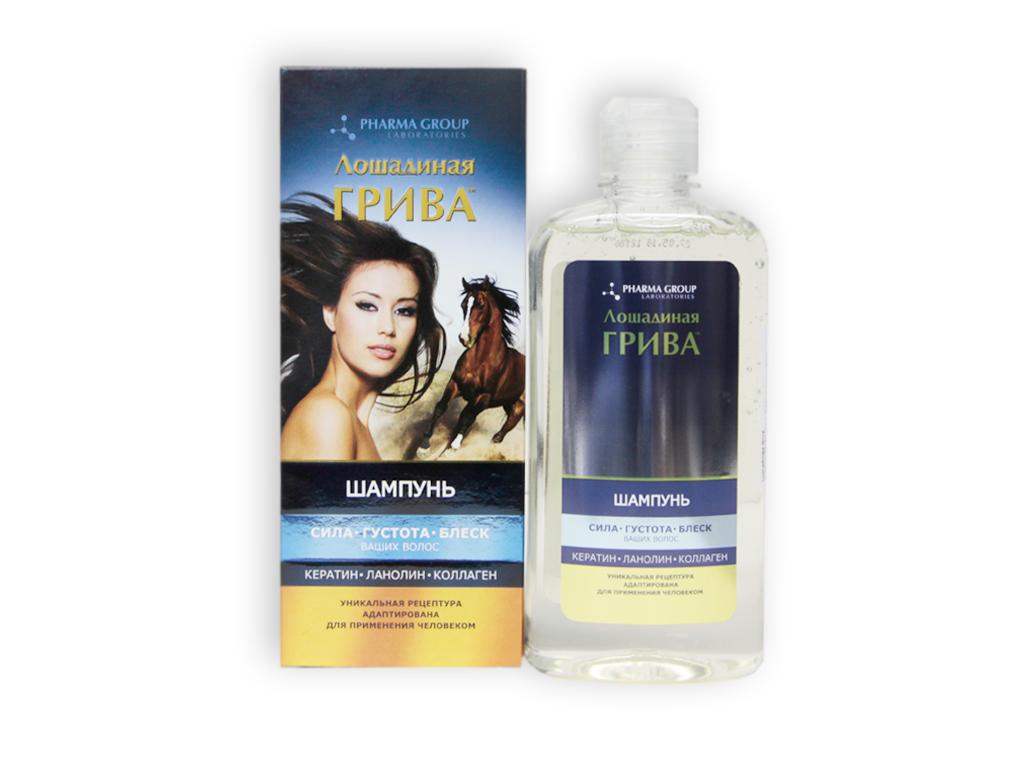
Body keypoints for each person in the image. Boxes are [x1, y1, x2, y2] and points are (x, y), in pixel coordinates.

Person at [280, 194, 445, 460]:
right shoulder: (328, 417)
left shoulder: (351, 421)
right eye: (367, 305)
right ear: (331, 313)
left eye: (404, 310)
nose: (388, 328)